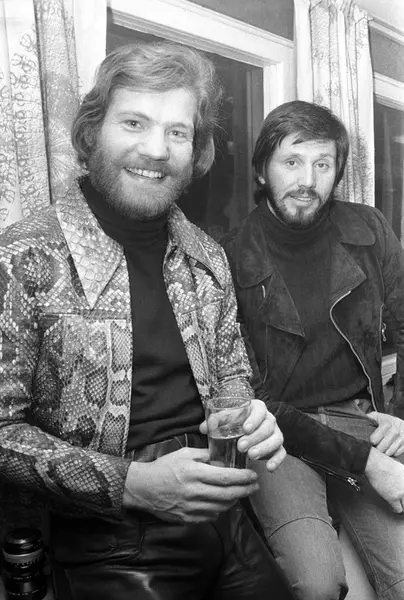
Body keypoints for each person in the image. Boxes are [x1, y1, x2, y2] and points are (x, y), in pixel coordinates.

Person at [0, 43, 393, 600]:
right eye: (134, 122)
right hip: (109, 537)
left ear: (197, 150)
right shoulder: (23, 256)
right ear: (92, 131)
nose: (156, 149)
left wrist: (250, 415)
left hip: (223, 513)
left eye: (177, 132)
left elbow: (232, 379)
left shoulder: (206, 257)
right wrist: (133, 484)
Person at [221, 99, 404, 600]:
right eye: (292, 161)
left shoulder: (370, 230)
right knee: (317, 583)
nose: (308, 180)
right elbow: (245, 395)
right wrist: (369, 465)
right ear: (262, 170)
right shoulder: (229, 257)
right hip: (279, 431)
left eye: (323, 164)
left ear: (337, 172)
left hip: (361, 419)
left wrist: (400, 415)